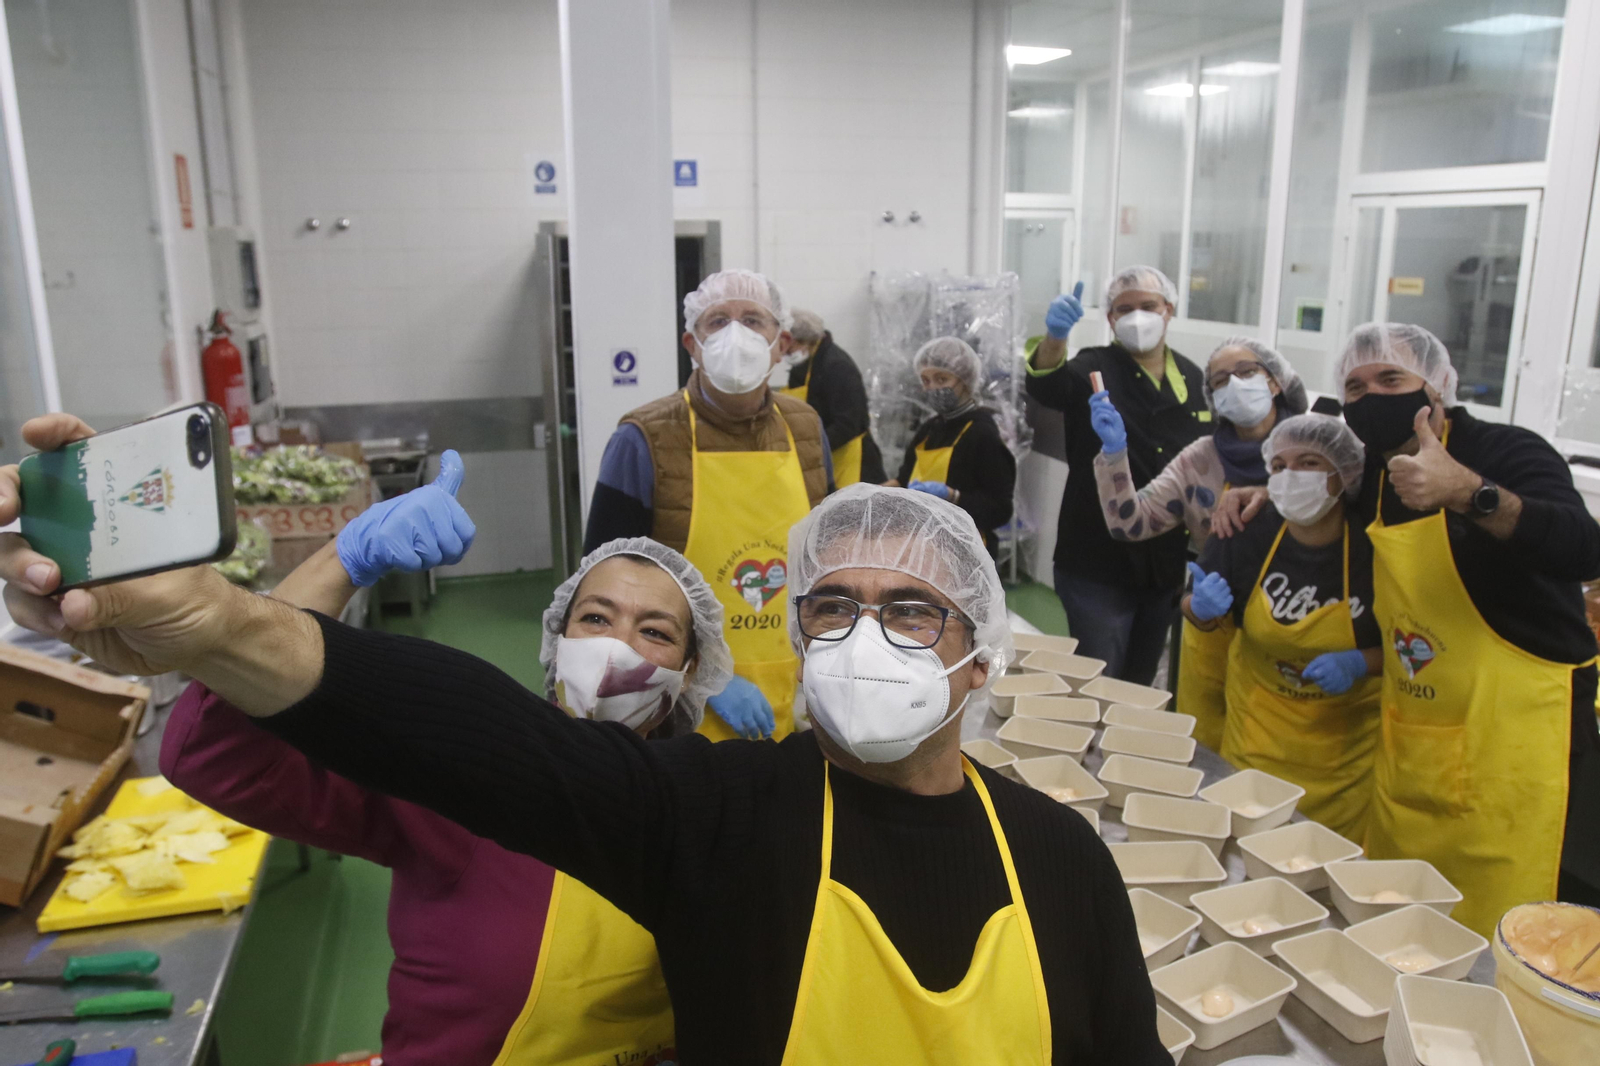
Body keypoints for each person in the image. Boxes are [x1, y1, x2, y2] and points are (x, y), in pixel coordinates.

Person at [0, 440, 1169, 1064]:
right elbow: (476, 733)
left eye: (910, 611)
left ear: (983, 650)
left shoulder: (1060, 858)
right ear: (796, 635)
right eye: (832, 607)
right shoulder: (711, 816)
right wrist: (223, 622)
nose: (867, 637)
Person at [165, 470, 731, 1064]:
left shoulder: (705, 812)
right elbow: (211, 749)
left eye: (654, 631)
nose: (618, 648)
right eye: (595, 618)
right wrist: (341, 563)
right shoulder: (468, 772)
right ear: (558, 638)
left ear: (689, 670)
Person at [1218, 323, 1600, 935]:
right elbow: (1322, 481)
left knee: (1498, 925)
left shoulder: (1506, 451)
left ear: (1438, 387)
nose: (1372, 396)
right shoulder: (1375, 474)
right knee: (1399, 918)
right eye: (1356, 386)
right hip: (1416, 737)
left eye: (1391, 379)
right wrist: (1267, 491)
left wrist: (1469, 492)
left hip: (1514, 741)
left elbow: (1585, 549)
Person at [584, 269, 832, 743]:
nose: (735, 335)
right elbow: (600, 590)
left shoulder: (806, 427)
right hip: (675, 702)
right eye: (717, 321)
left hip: (795, 687)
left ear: (781, 342)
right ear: (691, 344)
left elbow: (826, 555)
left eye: (753, 320)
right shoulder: (642, 438)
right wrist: (704, 678)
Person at [1090, 337, 1308, 748]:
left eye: (1246, 372)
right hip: (1212, 622)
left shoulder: (1314, 447)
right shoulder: (1201, 460)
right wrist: (1114, 453)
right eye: (1221, 380)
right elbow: (1129, 523)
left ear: (1275, 382)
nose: (1235, 385)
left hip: (1296, 627)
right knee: (1206, 747)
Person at [1181, 415, 1381, 840]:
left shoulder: (1376, 546)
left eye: (1309, 463)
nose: (1291, 476)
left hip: (1344, 765)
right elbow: (1192, 606)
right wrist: (1200, 608)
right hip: (1255, 743)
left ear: (1343, 474)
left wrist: (1361, 662)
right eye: (1279, 467)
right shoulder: (1243, 528)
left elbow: (1410, 645)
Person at [1025, 268, 1210, 684]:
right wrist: (1055, 336)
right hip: (1096, 560)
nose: (1137, 317)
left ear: (1169, 310)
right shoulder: (1093, 367)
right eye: (1124, 309)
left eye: (1148, 306)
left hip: (1164, 561)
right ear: (1110, 319)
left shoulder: (1193, 377)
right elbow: (1046, 386)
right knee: (1099, 679)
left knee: (1141, 684)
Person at [885, 337, 1016, 555]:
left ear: (965, 380)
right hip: (924, 547)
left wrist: (953, 496)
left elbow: (1000, 510)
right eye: (926, 381)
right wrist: (865, 496)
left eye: (942, 379)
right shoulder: (929, 429)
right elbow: (903, 480)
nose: (933, 388)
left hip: (966, 553)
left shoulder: (982, 433)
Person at [778, 309, 886, 486]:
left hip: (851, 461)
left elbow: (847, 424)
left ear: (803, 341)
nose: (784, 351)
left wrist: (810, 449)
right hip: (823, 456)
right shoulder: (802, 366)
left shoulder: (837, 366)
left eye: (789, 344)